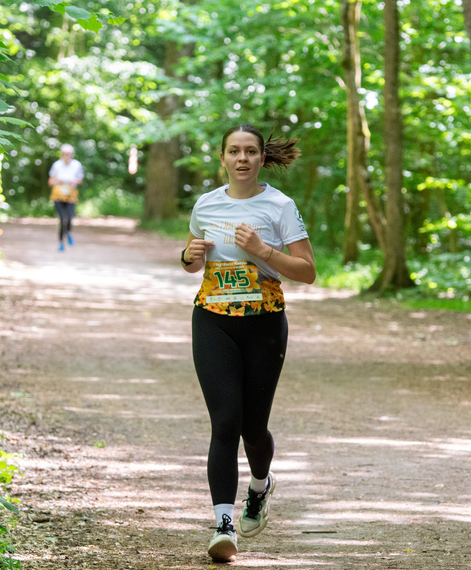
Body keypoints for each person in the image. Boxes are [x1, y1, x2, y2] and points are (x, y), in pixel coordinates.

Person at [181, 124, 316, 562]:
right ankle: (223, 525)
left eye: (250, 152)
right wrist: (188, 258)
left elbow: (307, 270)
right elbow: (189, 257)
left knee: (252, 428)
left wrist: (262, 249)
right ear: (222, 158)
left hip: (264, 324)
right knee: (225, 422)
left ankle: (260, 486)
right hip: (213, 320)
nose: (242, 158)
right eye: (234, 151)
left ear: (261, 158)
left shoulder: (279, 206)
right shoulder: (206, 204)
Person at [48, 143, 83, 251]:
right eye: (65, 154)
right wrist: (58, 181)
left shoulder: (77, 165)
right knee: (62, 219)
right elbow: (50, 181)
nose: (67, 156)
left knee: (69, 218)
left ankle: (69, 232)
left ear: (72, 154)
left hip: (71, 195)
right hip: (58, 195)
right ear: (62, 154)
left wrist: (72, 181)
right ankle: (61, 243)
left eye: (69, 154)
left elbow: (80, 180)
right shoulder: (56, 165)